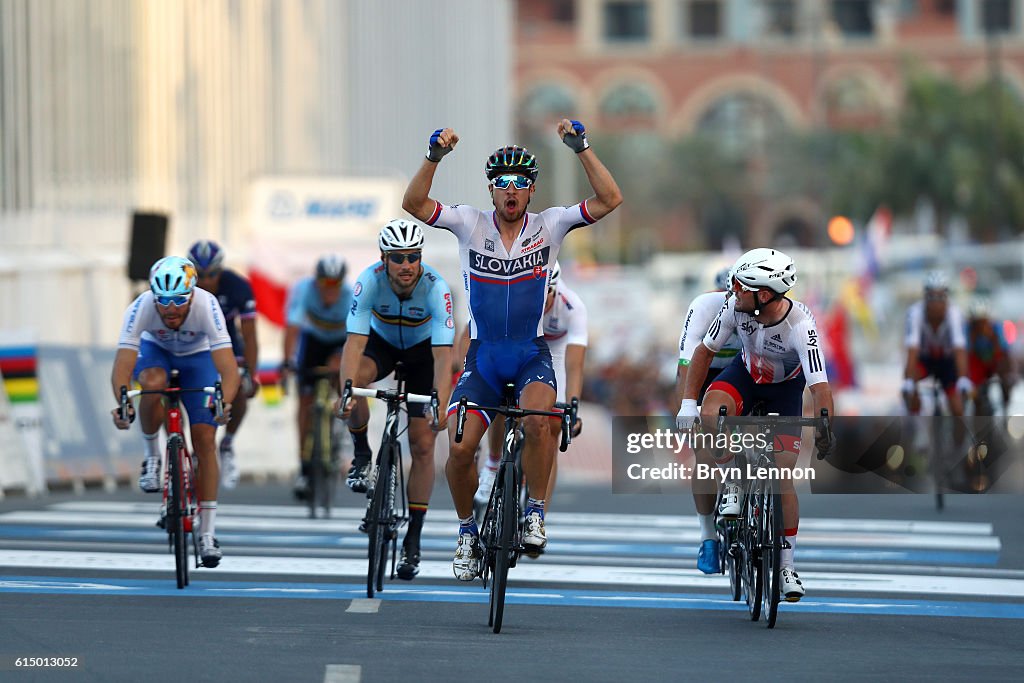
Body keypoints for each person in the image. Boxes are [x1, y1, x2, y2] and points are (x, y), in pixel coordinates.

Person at [402, 120, 622, 581]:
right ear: (491, 190)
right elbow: (414, 204)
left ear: (531, 190)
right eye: (502, 183)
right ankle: (466, 533)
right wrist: (434, 158)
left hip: (529, 353)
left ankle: (535, 512)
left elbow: (609, 199)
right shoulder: (469, 222)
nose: (511, 190)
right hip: (484, 355)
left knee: (542, 424)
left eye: (519, 183)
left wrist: (582, 148)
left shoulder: (551, 225)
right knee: (459, 450)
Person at [677, 248, 835, 602]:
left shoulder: (801, 326)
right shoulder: (735, 306)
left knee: (781, 478)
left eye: (740, 285)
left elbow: (820, 386)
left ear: (764, 295)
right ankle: (732, 476)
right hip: (745, 376)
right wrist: (689, 402)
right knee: (711, 411)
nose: (732, 289)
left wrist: (825, 428)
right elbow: (704, 352)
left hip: (784, 389)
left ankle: (786, 565)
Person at [335, 218, 455, 580]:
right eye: (398, 258)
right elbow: (354, 344)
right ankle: (361, 455)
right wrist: (346, 391)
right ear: (383, 259)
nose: (407, 265)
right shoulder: (368, 281)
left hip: (423, 353)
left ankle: (413, 539)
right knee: (356, 384)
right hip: (381, 345)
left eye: (413, 257)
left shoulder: (437, 288)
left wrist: (441, 402)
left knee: (422, 445)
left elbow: (443, 357)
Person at [110, 256, 240, 568]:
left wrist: (225, 402)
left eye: (179, 299)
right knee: (151, 383)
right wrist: (124, 404)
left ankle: (208, 533)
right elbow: (122, 369)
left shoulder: (207, 306)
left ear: (192, 293)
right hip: (157, 353)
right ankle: (152, 457)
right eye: (163, 300)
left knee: (205, 438)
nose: (170, 308)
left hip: (199, 360)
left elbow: (228, 369)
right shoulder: (140, 307)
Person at [471, 261, 587, 510]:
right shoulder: (510, 297)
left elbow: (574, 364)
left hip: (554, 353)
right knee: (504, 399)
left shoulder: (572, 306)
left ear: (555, 290)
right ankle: (492, 463)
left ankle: (538, 513)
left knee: (552, 427)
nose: (540, 300)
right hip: (520, 348)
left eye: (547, 294)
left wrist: (573, 405)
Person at [673, 266, 743, 575]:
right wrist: (687, 412)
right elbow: (686, 368)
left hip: (742, 375)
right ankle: (708, 536)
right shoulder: (703, 307)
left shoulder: (757, 313)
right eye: (729, 294)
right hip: (703, 373)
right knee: (704, 451)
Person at [187, 240, 260, 489]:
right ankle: (181, 447)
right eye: (201, 275)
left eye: (212, 274)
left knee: (238, 387)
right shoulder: (183, 287)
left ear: (221, 270)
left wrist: (251, 372)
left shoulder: (238, 286)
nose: (206, 281)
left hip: (226, 343)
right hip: (193, 344)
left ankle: (227, 442)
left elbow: (249, 335)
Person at [281, 254, 354, 499]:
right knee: (304, 404)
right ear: (317, 281)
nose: (329, 290)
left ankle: (342, 437)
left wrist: (344, 363)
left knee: (346, 386)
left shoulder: (351, 295)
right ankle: (304, 468)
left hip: (341, 343)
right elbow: (292, 328)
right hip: (312, 344)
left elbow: (358, 336)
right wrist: (288, 361)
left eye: (335, 284)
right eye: (325, 283)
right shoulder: (303, 290)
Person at [901, 271, 973, 417]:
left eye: (940, 297)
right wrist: (909, 382)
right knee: (909, 387)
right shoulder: (914, 313)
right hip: (925, 360)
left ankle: (958, 439)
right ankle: (915, 425)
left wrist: (963, 378)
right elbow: (912, 350)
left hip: (947, 362)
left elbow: (959, 349)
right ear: (925, 297)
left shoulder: (955, 314)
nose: (936, 303)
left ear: (946, 297)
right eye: (932, 297)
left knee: (957, 409)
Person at [965, 298, 1017, 416]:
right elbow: (967, 356)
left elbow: (1004, 354)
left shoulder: (997, 328)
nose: (981, 325)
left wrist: (992, 337)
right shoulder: (968, 330)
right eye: (977, 322)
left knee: (1006, 380)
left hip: (995, 361)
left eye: (984, 321)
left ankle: (1005, 407)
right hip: (977, 363)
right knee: (976, 394)